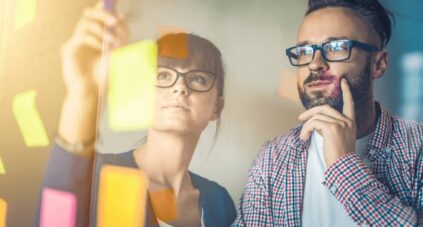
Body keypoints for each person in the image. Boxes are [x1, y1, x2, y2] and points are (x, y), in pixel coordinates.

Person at [34, 1, 236, 226]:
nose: (180, 87)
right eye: (162, 76)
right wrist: (83, 95)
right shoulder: (99, 174)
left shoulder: (220, 202)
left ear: (217, 108)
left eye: (198, 78)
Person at [233, 0, 423, 226]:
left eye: (336, 48)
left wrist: (344, 165)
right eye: (304, 51)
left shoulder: (418, 147)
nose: (314, 64)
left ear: (378, 64)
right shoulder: (273, 159)